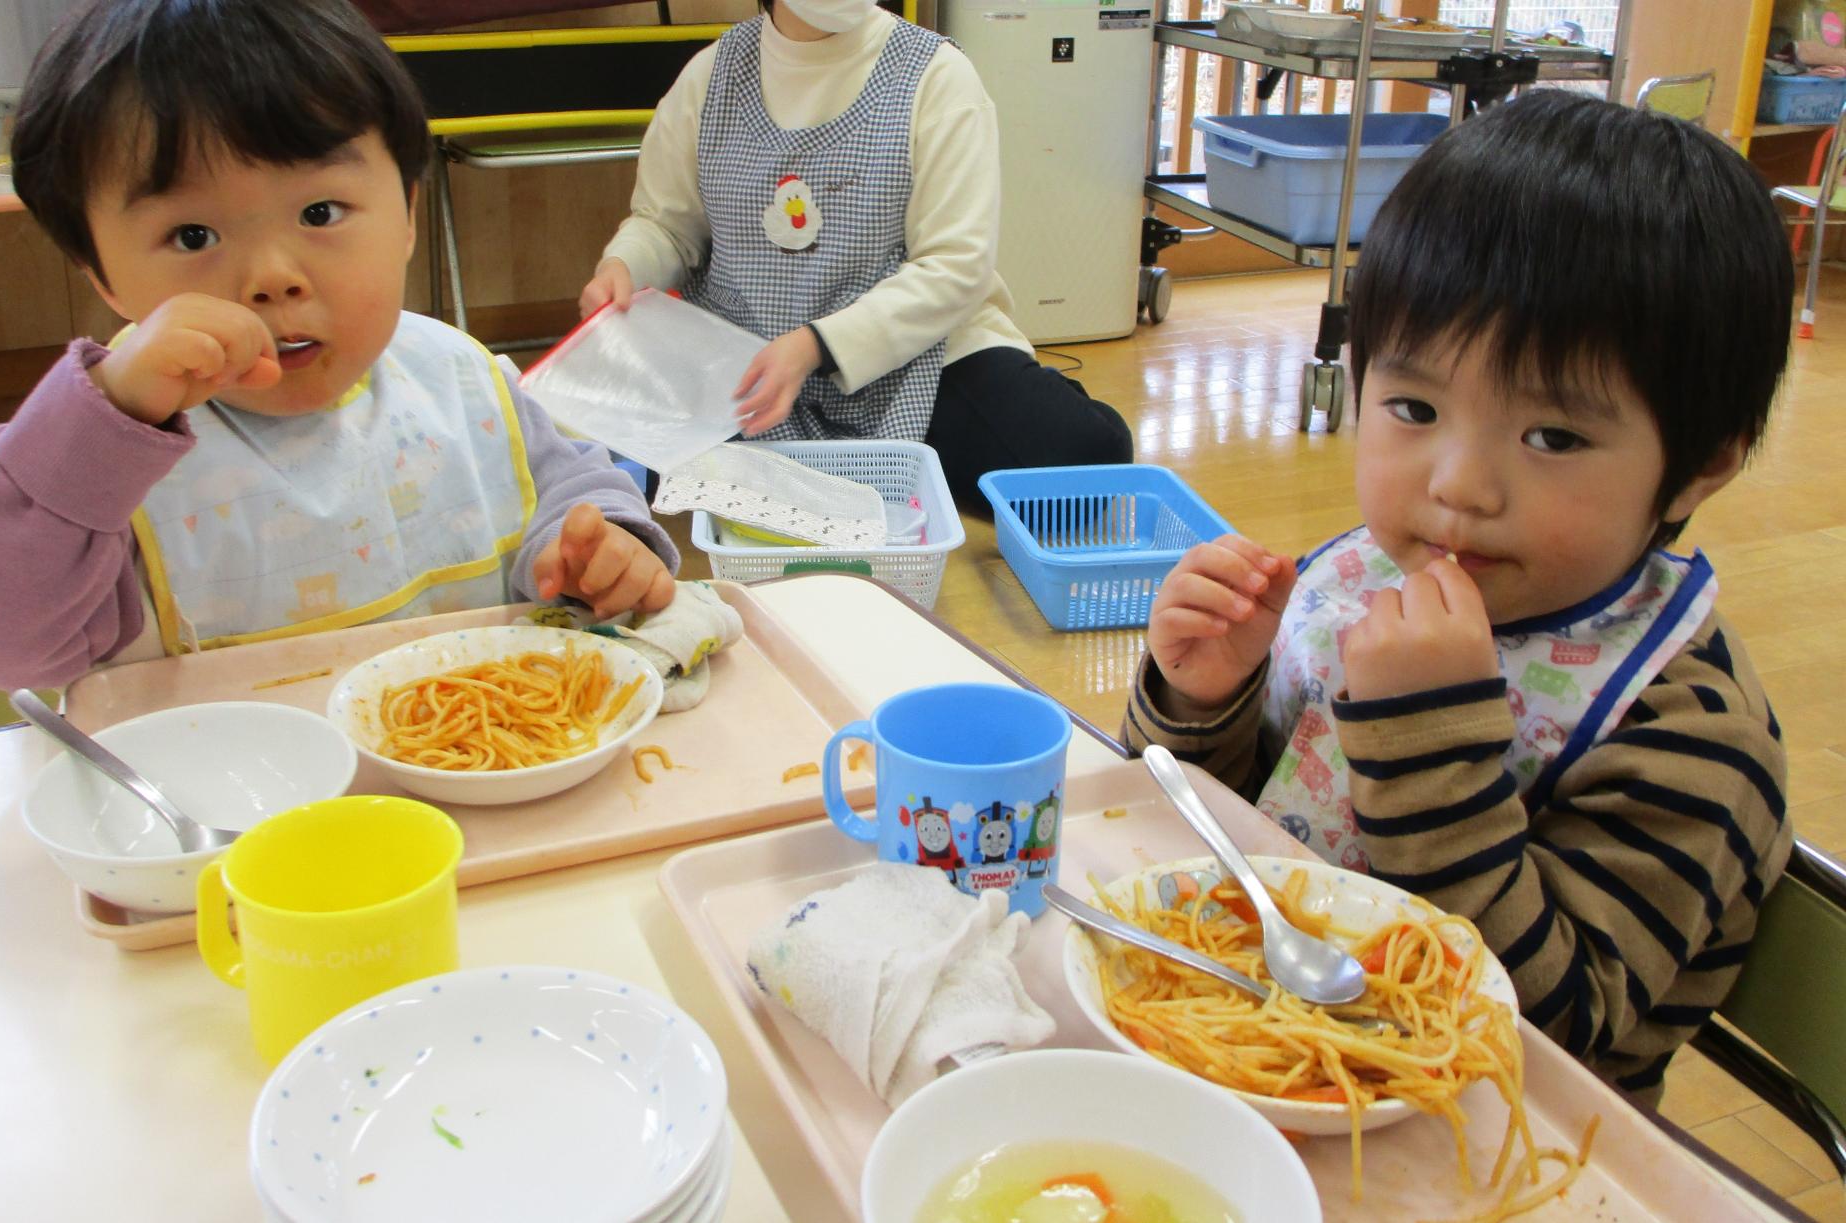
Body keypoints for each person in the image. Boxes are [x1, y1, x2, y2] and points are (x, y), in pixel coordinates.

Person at [1123, 90, 1795, 1101]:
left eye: (1552, 437)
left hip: (1481, 1136)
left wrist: (1427, 738)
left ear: (1699, 464)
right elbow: (1195, 838)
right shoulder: (1354, 580)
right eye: (1413, 406)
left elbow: (1556, 1032)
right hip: (1248, 1047)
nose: (1457, 486)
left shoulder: (1685, 731)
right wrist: (1198, 702)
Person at [0, 0, 678, 691]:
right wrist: (107, 411)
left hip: (468, 805)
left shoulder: (457, 376)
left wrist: (597, 546)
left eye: (322, 213)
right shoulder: (92, 453)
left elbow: (568, 482)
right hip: (221, 836)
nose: (272, 278)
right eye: (192, 234)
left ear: (406, 213)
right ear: (101, 275)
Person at [578, 0, 1133, 509]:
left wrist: (815, 345)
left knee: (1085, 461)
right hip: (749, 367)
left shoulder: (938, 76)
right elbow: (666, 226)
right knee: (627, 465)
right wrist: (622, 266)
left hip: (916, 357)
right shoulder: (710, 78)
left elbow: (955, 267)